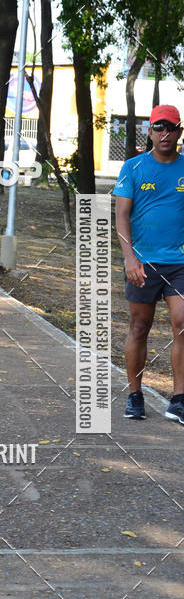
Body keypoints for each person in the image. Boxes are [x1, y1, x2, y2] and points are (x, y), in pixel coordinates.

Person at [114, 103, 184, 423]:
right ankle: (135, 395)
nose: (165, 133)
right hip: (142, 263)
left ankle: (179, 400)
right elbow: (121, 217)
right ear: (150, 131)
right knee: (139, 327)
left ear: (179, 132)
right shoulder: (133, 167)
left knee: (182, 324)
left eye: (171, 127)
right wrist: (130, 258)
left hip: (180, 262)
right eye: (159, 127)